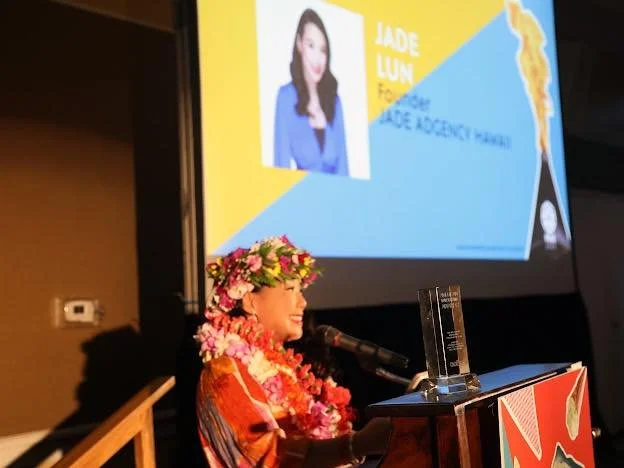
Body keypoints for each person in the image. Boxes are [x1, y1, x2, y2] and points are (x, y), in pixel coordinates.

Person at [195, 235, 391, 466]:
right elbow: (268, 458)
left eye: (301, 291)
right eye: (290, 289)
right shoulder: (223, 372)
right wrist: (358, 444)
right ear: (250, 301)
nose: (303, 303)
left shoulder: (287, 370)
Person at [273, 9, 349, 176]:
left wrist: (324, 126)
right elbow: (280, 167)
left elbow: (344, 169)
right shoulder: (286, 97)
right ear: (299, 44)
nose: (317, 58)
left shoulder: (334, 102)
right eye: (311, 45)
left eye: (323, 49)